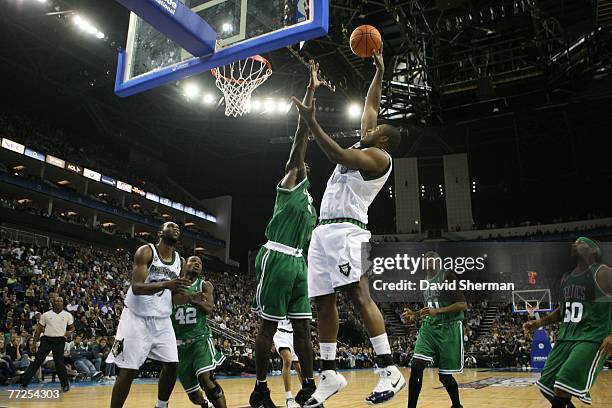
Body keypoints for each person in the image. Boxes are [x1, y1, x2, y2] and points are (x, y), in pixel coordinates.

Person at [292, 47, 404, 406]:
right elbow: (371, 106)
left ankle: (389, 369)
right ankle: (329, 373)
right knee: (322, 302)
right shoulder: (370, 139)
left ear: (383, 139)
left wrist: (312, 122)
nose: (368, 128)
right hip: (324, 231)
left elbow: (337, 155)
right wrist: (380, 71)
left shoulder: (379, 157)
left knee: (358, 294)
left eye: (374, 130)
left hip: (350, 230)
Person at [249, 61, 331, 408]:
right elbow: (300, 138)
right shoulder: (290, 180)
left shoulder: (311, 202)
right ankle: (260, 389)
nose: (303, 165)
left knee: (302, 329)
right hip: (277, 255)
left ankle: (309, 386)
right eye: (300, 163)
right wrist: (311, 95)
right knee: (268, 328)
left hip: (299, 264)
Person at [106, 222, 191, 408]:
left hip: (162, 320)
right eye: (171, 226)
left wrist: (192, 297)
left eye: (179, 228)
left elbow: (176, 298)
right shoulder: (146, 251)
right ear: (160, 232)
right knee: (128, 369)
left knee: (172, 365)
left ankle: (161, 406)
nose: (176, 229)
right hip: (135, 318)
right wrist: (166, 285)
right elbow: (136, 288)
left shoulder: (181, 262)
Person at [524, 237, 612, 407]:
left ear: (593, 250)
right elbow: (563, 311)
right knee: (546, 385)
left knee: (562, 387)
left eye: (582, 242)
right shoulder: (566, 278)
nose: (576, 243)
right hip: (565, 337)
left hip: (591, 337)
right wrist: (537, 323)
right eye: (575, 242)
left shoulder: (603, 272)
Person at [402, 251, 467, 408]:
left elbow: (462, 304)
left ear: (438, 263)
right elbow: (430, 308)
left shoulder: (447, 277)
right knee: (416, 366)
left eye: (432, 261)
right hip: (429, 328)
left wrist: (437, 312)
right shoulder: (425, 281)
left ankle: (457, 405)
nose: (428, 264)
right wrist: (415, 314)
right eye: (426, 261)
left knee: (444, 377)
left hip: (449, 328)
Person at [171, 255, 227, 408]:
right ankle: (205, 405)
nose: (197, 264)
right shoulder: (175, 285)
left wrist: (197, 301)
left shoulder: (204, 285)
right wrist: (189, 298)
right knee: (194, 396)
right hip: (179, 345)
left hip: (200, 338)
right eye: (193, 261)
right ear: (185, 264)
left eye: (200, 263)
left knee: (206, 378)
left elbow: (209, 308)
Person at [20, 296, 74, 392]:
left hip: (59, 340)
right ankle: (24, 383)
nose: (58, 302)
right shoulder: (45, 314)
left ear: (63, 303)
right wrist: (34, 343)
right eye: (56, 301)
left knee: (59, 363)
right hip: (47, 340)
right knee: (37, 361)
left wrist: (68, 333)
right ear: (53, 303)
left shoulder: (67, 315)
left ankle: (65, 385)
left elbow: (72, 328)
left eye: (60, 301)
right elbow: (39, 329)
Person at [273, 319, 303, 408]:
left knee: (299, 368)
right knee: (287, 359)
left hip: (293, 335)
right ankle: (289, 397)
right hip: (280, 333)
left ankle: (305, 393)